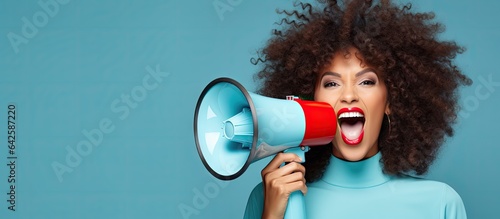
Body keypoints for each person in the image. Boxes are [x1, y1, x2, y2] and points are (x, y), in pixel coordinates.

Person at [243, 0, 472, 218]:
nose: (349, 95)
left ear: (391, 102)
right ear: (309, 103)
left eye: (366, 82)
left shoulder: (440, 203)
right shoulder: (267, 198)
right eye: (332, 83)